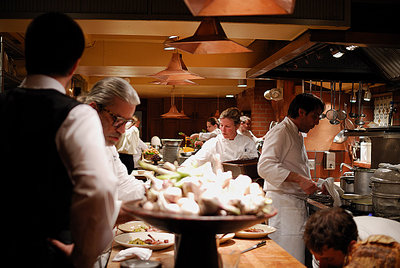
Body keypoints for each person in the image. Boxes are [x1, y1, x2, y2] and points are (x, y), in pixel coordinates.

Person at [0, 12, 118, 268]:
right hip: (46, 255)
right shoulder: (76, 114)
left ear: (27, 55)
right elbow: (98, 189)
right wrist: (84, 256)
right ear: (75, 65)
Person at [257, 93, 325, 264]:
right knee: (288, 259)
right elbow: (264, 167)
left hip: (292, 203)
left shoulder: (296, 132)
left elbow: (292, 166)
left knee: (294, 258)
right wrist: (300, 180)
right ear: (301, 112)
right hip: (283, 204)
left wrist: (311, 183)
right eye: (314, 116)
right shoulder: (281, 131)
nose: (316, 122)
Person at [82, 77, 146, 206]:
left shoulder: (107, 144)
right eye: (117, 120)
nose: (122, 130)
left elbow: (123, 183)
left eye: (127, 122)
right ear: (94, 109)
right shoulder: (72, 142)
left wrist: (156, 190)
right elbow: (90, 209)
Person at [304, 207, 400, 268]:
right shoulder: (322, 249)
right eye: (318, 259)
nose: (322, 266)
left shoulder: (376, 252)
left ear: (352, 247)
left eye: (329, 259)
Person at [181, 107, 258, 168]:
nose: (223, 130)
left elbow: (252, 166)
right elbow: (196, 160)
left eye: (227, 126)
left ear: (237, 126)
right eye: (221, 125)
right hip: (220, 182)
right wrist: (180, 168)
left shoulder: (247, 142)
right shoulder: (213, 143)